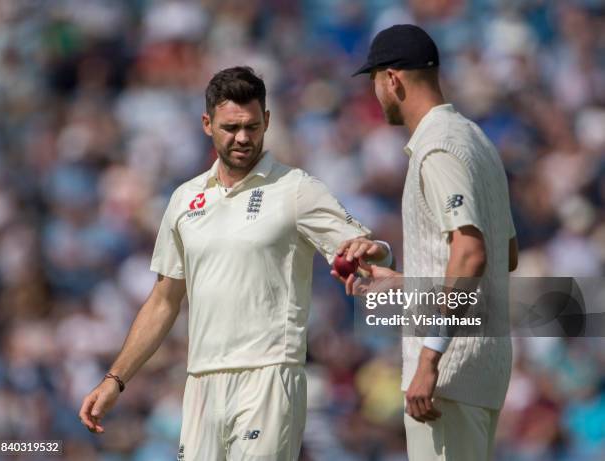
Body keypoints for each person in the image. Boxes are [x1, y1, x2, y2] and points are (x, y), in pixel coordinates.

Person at [78, 66, 392, 461]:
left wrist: (376, 251)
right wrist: (115, 380)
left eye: (252, 126)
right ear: (207, 124)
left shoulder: (296, 188)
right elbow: (163, 301)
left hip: (269, 375)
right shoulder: (184, 199)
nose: (243, 137)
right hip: (201, 383)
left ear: (268, 122)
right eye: (231, 127)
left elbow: (359, 247)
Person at [351, 25, 519, 461]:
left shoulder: (437, 147)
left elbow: (472, 254)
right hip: (482, 368)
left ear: (392, 79)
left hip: (448, 375)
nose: (375, 94)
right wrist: (401, 282)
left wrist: (429, 358)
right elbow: (506, 255)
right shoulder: (476, 140)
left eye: (374, 82)